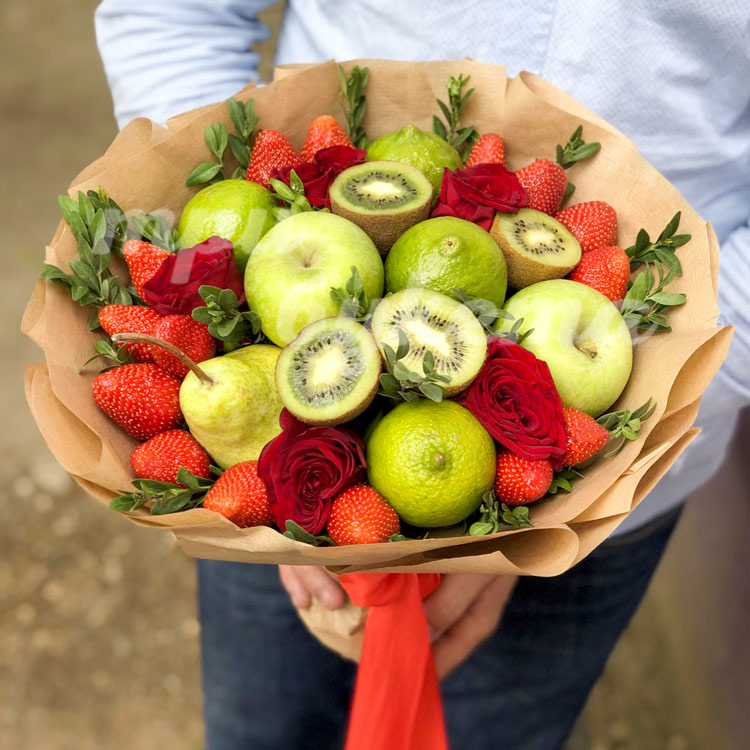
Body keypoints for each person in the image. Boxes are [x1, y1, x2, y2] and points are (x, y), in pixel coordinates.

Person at [94, 2, 750, 748]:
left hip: (627, 451)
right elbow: (173, 12)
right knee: (265, 729)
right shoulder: (243, 462)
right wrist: (272, 515)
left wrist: (547, 522)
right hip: (260, 467)